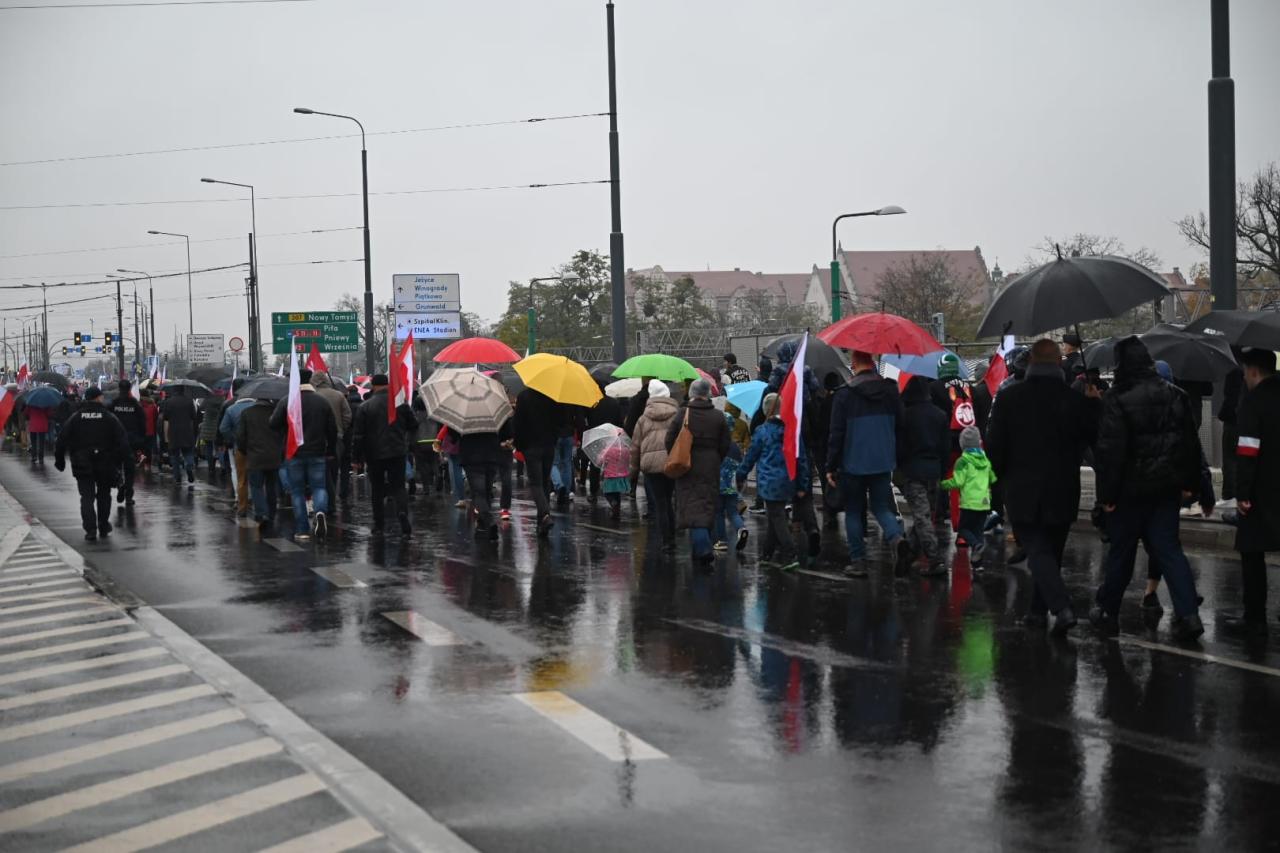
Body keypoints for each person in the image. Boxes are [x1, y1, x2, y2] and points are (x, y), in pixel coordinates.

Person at [1091, 336, 1204, 641]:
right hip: (1166, 488)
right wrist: (1192, 484)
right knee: (1169, 550)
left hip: (1129, 492)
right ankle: (1189, 613)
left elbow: (1110, 451)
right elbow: (1190, 444)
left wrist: (1107, 497)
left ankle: (1108, 611)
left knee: (1122, 554)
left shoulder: (1116, 398)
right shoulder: (1175, 395)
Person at [986, 339, 1099, 635]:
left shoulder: (1010, 398)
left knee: (1036, 549)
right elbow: (1091, 439)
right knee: (1053, 552)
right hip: (1063, 487)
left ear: (1032, 363)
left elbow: (996, 445)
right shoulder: (1074, 400)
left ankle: (1061, 607)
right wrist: (1092, 403)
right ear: (1059, 363)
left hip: (1023, 488)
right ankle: (1037, 612)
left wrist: (998, 479)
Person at [826, 350, 910, 578]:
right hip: (883, 460)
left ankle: (858, 561)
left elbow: (836, 434)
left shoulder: (844, 395)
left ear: (854, 363)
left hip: (852, 461)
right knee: (881, 506)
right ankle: (896, 538)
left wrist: (830, 466)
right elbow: (901, 424)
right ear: (872, 361)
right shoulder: (890, 390)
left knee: (853, 510)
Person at [1223, 348, 1280, 638]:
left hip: (1261, 488)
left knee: (1252, 553)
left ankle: (1255, 617)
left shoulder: (1253, 402)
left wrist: (1242, 492)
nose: (1244, 377)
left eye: (1245, 371)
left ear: (1254, 371)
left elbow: (1247, 449)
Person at [738, 393, 807, 570]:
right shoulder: (792, 430)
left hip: (769, 481)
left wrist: (741, 474)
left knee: (777, 517)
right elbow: (801, 459)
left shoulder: (762, 431)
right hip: (788, 480)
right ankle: (767, 554)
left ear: (766, 409)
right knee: (774, 517)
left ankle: (790, 554)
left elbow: (751, 456)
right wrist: (802, 484)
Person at [665, 378, 730, 564]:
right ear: (708, 393)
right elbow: (725, 443)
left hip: (687, 464)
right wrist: (716, 458)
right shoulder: (718, 416)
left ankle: (702, 548)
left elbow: (669, 439)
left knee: (691, 505)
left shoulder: (683, 414)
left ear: (692, 393)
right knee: (708, 503)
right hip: (711, 465)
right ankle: (702, 546)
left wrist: (676, 456)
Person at [270, 367, 338, 541]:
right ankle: (321, 510)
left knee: (297, 491)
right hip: (317, 451)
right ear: (310, 380)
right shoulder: (322, 401)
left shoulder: (287, 401)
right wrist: (330, 450)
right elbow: (332, 428)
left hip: (294, 452)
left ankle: (302, 530)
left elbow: (273, 424)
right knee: (319, 487)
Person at [54, 386, 128, 541]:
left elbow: (62, 438)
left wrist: (59, 460)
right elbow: (122, 440)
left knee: (86, 497)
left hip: (82, 463)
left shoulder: (76, 417)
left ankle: (90, 529)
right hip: (105, 462)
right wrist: (120, 460)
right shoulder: (109, 417)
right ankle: (103, 524)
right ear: (98, 398)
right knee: (104, 495)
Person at [351, 374, 416, 536]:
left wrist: (356, 458)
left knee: (377, 489)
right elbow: (413, 424)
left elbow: (358, 435)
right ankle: (402, 511)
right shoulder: (400, 404)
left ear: (372, 386)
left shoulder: (365, 406)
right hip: (397, 451)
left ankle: (379, 524)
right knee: (399, 486)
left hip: (374, 453)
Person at [898, 375, 950, 577]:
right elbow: (944, 448)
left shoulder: (906, 415)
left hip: (913, 470)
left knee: (922, 517)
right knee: (926, 514)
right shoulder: (939, 415)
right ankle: (911, 553)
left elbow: (901, 446)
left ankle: (935, 558)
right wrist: (942, 468)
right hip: (934, 470)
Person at [940, 426, 997, 571]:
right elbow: (993, 478)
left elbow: (957, 482)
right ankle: (978, 564)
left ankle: (976, 546)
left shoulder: (962, 461)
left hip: (969, 503)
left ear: (962, 444)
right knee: (978, 531)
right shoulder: (985, 460)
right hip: (984, 503)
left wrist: (943, 484)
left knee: (963, 529)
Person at [630, 379, 679, 547]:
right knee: (669, 499)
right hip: (671, 462)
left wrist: (633, 472)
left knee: (660, 503)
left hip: (650, 465)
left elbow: (635, 447)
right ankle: (672, 536)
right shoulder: (676, 414)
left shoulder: (643, 418)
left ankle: (665, 540)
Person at [513, 386, 562, 537]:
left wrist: (519, 445)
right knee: (545, 481)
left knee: (536, 483)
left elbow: (518, 423)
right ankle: (542, 522)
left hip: (531, 446)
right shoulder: (552, 396)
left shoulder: (524, 396)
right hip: (548, 445)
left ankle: (545, 514)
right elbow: (559, 421)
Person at [236, 395, 285, 531]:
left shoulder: (247, 413)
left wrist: (245, 450)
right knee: (271, 486)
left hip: (254, 456)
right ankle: (271, 513)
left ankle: (261, 513)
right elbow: (283, 432)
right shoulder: (276, 412)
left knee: (256, 486)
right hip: (273, 456)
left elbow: (241, 436)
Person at [312, 372, 353, 503]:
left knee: (318, 470)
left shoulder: (313, 396)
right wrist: (341, 429)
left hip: (315, 438)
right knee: (333, 469)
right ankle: (331, 497)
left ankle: (321, 499)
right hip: (337, 438)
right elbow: (347, 416)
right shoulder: (339, 395)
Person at [217, 380, 254, 517]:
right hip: (256, 446)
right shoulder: (256, 405)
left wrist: (231, 439)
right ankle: (256, 502)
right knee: (255, 475)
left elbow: (222, 428)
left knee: (238, 473)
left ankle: (241, 501)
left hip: (238, 447)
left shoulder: (229, 406)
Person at [108, 380, 146, 507]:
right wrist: (141, 440)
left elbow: (108, 421)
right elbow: (142, 422)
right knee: (130, 470)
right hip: (131, 442)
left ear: (119, 388)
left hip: (115, 442)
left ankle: (120, 485)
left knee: (117, 467)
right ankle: (128, 496)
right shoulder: (135, 404)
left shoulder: (114, 403)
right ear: (129, 389)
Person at [713, 413, 747, 551]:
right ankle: (741, 528)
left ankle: (721, 541)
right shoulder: (735, 447)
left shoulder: (716, 445)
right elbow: (740, 464)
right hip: (732, 486)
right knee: (733, 512)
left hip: (718, 485)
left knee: (719, 512)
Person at [159, 385, 198, 484]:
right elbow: (194, 416)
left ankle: (177, 477)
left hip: (173, 432)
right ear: (183, 390)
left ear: (174, 390)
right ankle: (189, 467)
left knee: (174, 455)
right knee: (188, 453)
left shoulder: (169, 402)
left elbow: (166, 417)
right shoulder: (189, 401)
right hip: (187, 431)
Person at [139, 391, 158, 467]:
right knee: (149, 449)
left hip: (140, 431)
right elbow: (156, 417)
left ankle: (142, 457)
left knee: (140, 446)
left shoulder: (138, 405)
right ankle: (148, 465)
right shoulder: (153, 406)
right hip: (150, 430)